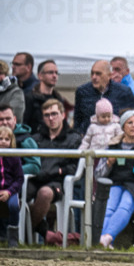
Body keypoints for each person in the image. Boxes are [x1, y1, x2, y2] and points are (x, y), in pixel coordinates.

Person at [29, 98, 82, 240]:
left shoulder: (74, 138)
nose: (51, 118)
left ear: (63, 115)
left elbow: (75, 167)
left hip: (57, 182)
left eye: (54, 114)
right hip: (35, 178)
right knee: (15, 195)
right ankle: (45, 232)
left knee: (44, 193)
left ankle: (27, 233)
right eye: (47, 115)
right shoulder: (36, 138)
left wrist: (59, 171)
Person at [99, 110, 134, 249]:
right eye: (130, 123)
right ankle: (104, 241)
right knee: (109, 208)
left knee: (125, 205)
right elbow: (98, 174)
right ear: (123, 127)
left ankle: (107, 237)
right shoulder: (113, 146)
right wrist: (109, 163)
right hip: (116, 184)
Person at [73, 60, 134, 135]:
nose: (94, 77)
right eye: (92, 73)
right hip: (89, 139)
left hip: (115, 139)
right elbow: (77, 120)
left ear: (109, 75)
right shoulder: (82, 92)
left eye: (98, 74)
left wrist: (133, 133)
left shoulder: (123, 92)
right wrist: (79, 135)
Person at [22, 59, 71, 134]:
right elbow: (24, 124)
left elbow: (63, 123)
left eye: (56, 73)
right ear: (40, 76)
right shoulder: (30, 98)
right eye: (50, 72)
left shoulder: (59, 99)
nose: (54, 76)